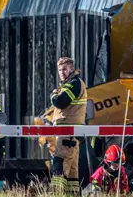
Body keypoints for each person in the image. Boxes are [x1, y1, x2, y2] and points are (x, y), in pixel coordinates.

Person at [50, 57, 87, 195]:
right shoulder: (71, 83)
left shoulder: (74, 83)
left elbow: (60, 102)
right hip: (71, 132)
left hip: (67, 130)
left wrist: (53, 96)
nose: (62, 72)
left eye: (64, 69)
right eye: (60, 70)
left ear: (72, 68)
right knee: (72, 170)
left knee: (59, 164)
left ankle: (57, 193)